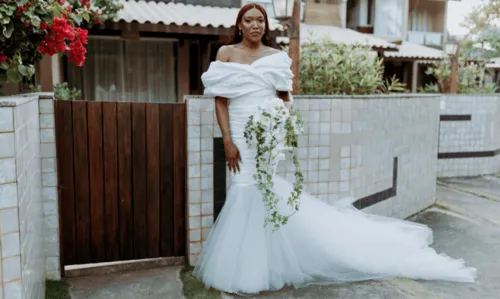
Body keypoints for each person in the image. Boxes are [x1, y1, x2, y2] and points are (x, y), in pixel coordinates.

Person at [194, 3, 477, 296]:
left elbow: (285, 98)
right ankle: (248, 265)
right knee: (244, 188)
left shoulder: (277, 58)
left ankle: (257, 266)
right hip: (239, 133)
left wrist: (278, 121)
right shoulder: (225, 54)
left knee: (259, 192)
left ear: (266, 26)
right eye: (249, 20)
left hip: (266, 137)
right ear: (239, 24)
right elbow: (220, 100)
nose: (255, 25)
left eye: (260, 21)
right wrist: (227, 139)